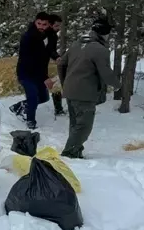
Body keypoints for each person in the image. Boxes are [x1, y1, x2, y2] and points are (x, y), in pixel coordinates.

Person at [57, 17, 119, 159]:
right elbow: (106, 73)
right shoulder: (99, 49)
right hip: (85, 93)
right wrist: (117, 86)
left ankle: (76, 151)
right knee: (84, 126)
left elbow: (61, 64)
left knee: (75, 124)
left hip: (70, 90)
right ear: (104, 33)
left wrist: (64, 82)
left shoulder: (76, 44)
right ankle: (69, 154)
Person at [15, 11, 53, 130]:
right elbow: (31, 60)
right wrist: (45, 77)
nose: (41, 26)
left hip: (39, 73)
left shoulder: (48, 36)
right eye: (39, 23)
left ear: (48, 25)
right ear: (35, 22)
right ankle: (30, 121)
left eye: (44, 24)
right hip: (26, 72)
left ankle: (19, 106)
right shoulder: (28, 37)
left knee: (43, 98)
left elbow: (49, 52)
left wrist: (57, 57)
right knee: (32, 97)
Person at [46, 13, 67, 117]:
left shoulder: (52, 34)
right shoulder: (47, 34)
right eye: (56, 26)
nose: (58, 28)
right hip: (43, 63)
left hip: (48, 62)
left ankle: (58, 108)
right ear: (50, 24)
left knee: (56, 84)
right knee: (55, 83)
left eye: (59, 26)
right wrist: (56, 56)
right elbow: (49, 50)